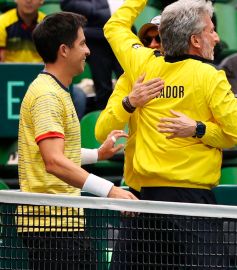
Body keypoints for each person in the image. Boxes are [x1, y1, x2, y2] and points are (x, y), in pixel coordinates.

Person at [104, 0, 237, 267]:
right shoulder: (210, 77)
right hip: (191, 206)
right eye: (211, 30)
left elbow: (114, 26)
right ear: (195, 40)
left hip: (145, 203)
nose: (217, 37)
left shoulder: (142, 62)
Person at [16, 12, 137, 269]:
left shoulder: (54, 90)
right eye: (82, 43)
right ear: (63, 50)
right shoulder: (47, 96)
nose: (88, 51)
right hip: (51, 226)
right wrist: (111, 190)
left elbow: (53, 152)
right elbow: (53, 161)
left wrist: (96, 155)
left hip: (58, 224)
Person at [95, 16, 165, 199]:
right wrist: (129, 103)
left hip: (181, 186)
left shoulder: (194, 73)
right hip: (139, 187)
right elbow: (102, 131)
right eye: (146, 40)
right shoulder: (129, 79)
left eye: (159, 38)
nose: (152, 45)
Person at [61, 0, 124, 110]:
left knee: (130, 85)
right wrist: (98, 9)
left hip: (122, 34)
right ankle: (105, 124)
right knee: (103, 91)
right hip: (97, 39)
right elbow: (66, 3)